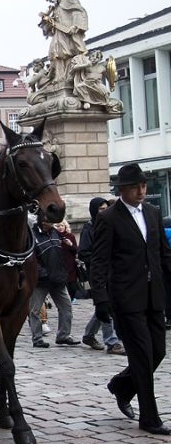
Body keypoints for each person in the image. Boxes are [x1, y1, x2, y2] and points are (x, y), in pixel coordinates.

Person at [90, 163, 171, 435]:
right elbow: (99, 261)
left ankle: (121, 386)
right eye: (135, 186)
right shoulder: (109, 218)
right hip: (126, 298)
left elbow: (163, 254)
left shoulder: (153, 212)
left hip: (154, 296)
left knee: (158, 351)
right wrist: (100, 299)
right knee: (143, 357)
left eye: (144, 185)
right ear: (122, 189)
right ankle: (149, 418)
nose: (141, 191)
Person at [78, 197, 125, 355]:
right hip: (97, 273)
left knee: (104, 305)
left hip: (112, 271)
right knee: (107, 304)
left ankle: (89, 335)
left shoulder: (111, 224)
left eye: (106, 208)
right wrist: (100, 259)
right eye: (101, 209)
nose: (105, 211)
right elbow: (83, 252)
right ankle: (111, 342)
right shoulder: (88, 228)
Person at [28, 215, 80, 348]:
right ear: (41, 221)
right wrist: (43, 274)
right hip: (41, 280)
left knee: (66, 307)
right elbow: (31, 259)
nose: (49, 224)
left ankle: (63, 335)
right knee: (35, 310)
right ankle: (37, 338)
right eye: (47, 222)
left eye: (51, 222)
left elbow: (62, 254)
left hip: (58, 278)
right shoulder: (32, 236)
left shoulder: (55, 232)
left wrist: (62, 273)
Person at [40, 0, 88, 80]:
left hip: (68, 33)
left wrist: (76, 25)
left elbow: (77, 11)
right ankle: (59, 77)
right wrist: (47, 22)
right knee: (54, 53)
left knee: (66, 52)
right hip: (59, 33)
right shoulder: (56, 7)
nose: (49, 1)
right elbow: (52, 26)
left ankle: (66, 76)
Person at [55, 220, 79, 301]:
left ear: (65, 226)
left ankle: (72, 299)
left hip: (70, 266)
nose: (60, 227)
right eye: (58, 226)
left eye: (62, 225)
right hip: (59, 265)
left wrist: (70, 244)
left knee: (72, 286)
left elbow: (76, 250)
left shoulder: (71, 236)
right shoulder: (54, 237)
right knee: (62, 286)